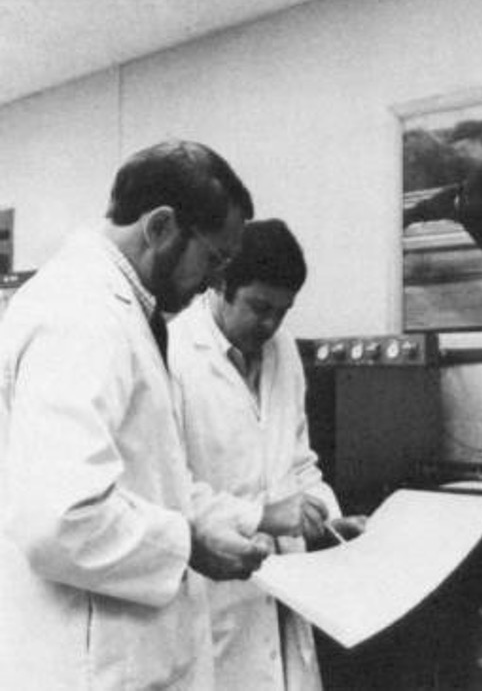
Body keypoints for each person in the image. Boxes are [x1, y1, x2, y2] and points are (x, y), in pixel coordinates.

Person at [0, 140, 271, 690]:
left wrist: (226, 525)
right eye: (214, 258)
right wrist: (191, 544)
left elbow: (145, 474)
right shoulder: (82, 314)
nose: (217, 282)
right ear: (161, 226)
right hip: (91, 665)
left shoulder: (125, 310)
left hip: (130, 652)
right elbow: (62, 519)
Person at [168, 218, 366, 691]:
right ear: (219, 285)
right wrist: (263, 515)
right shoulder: (175, 355)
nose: (271, 324)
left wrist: (326, 516)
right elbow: (172, 490)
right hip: (214, 600)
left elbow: (298, 460)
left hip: (285, 596)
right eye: (259, 307)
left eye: (283, 311)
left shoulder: (282, 352)